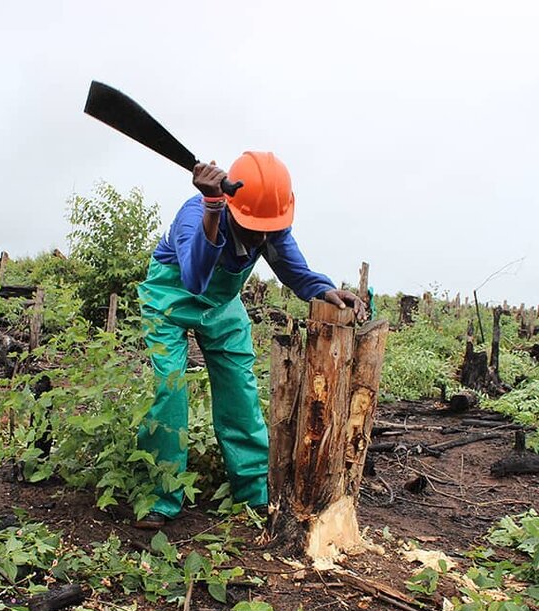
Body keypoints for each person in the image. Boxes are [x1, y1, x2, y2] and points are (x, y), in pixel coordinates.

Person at [134, 151, 366, 529]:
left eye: (268, 228)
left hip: (222, 304)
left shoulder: (270, 229)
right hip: (170, 297)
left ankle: (255, 491)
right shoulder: (196, 214)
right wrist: (211, 208)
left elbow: (295, 271)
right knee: (170, 390)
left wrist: (326, 291)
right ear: (232, 205)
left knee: (240, 389)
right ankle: (162, 493)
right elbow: (194, 279)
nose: (261, 236)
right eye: (253, 226)